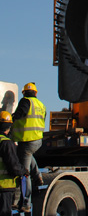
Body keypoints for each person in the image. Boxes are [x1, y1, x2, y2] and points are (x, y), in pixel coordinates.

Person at [11, 83, 45, 214]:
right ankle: (38, 176)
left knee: (24, 174)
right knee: (28, 155)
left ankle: (25, 202)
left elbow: (19, 115)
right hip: (37, 140)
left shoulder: (25, 102)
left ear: (24, 93)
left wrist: (10, 120)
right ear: (35, 93)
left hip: (27, 140)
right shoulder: (41, 105)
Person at [0, 111, 27, 216]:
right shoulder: (6, 143)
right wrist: (23, 171)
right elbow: (14, 166)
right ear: (9, 127)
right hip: (3, 188)